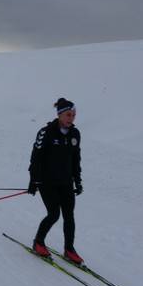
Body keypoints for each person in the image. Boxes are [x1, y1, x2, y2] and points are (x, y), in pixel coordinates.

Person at [27, 98, 84, 264]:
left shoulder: (75, 134)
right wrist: (34, 181)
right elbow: (36, 158)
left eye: (73, 115)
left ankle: (69, 249)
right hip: (47, 182)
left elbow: (75, 159)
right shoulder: (46, 132)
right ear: (59, 114)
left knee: (69, 216)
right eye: (68, 114)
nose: (71, 118)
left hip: (66, 182)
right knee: (53, 214)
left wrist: (77, 181)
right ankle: (38, 242)